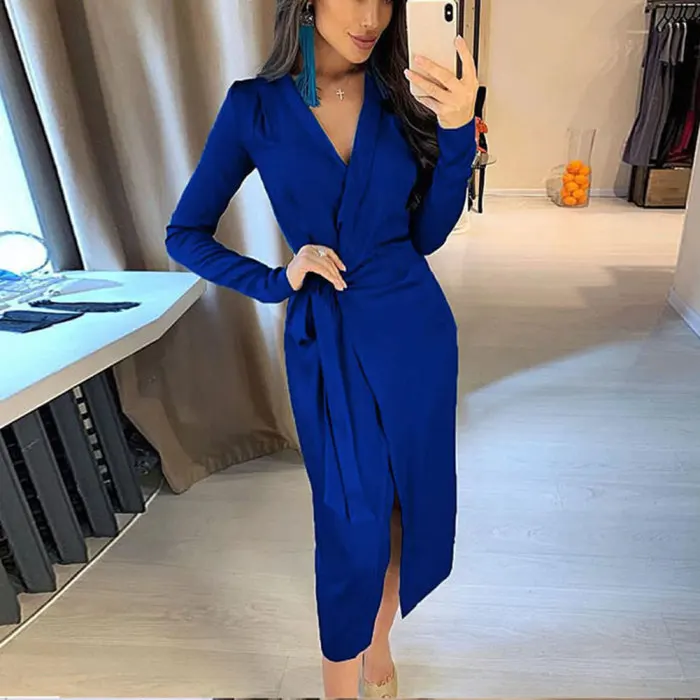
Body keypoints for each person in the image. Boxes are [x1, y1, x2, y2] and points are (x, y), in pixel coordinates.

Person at [166, 0, 478, 696]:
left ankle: (378, 645)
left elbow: (427, 235)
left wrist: (457, 132)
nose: (370, 16)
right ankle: (338, 685)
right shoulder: (255, 107)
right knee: (349, 524)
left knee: (407, 508)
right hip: (328, 340)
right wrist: (277, 279)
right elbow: (185, 232)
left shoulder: (401, 93)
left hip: (414, 333)